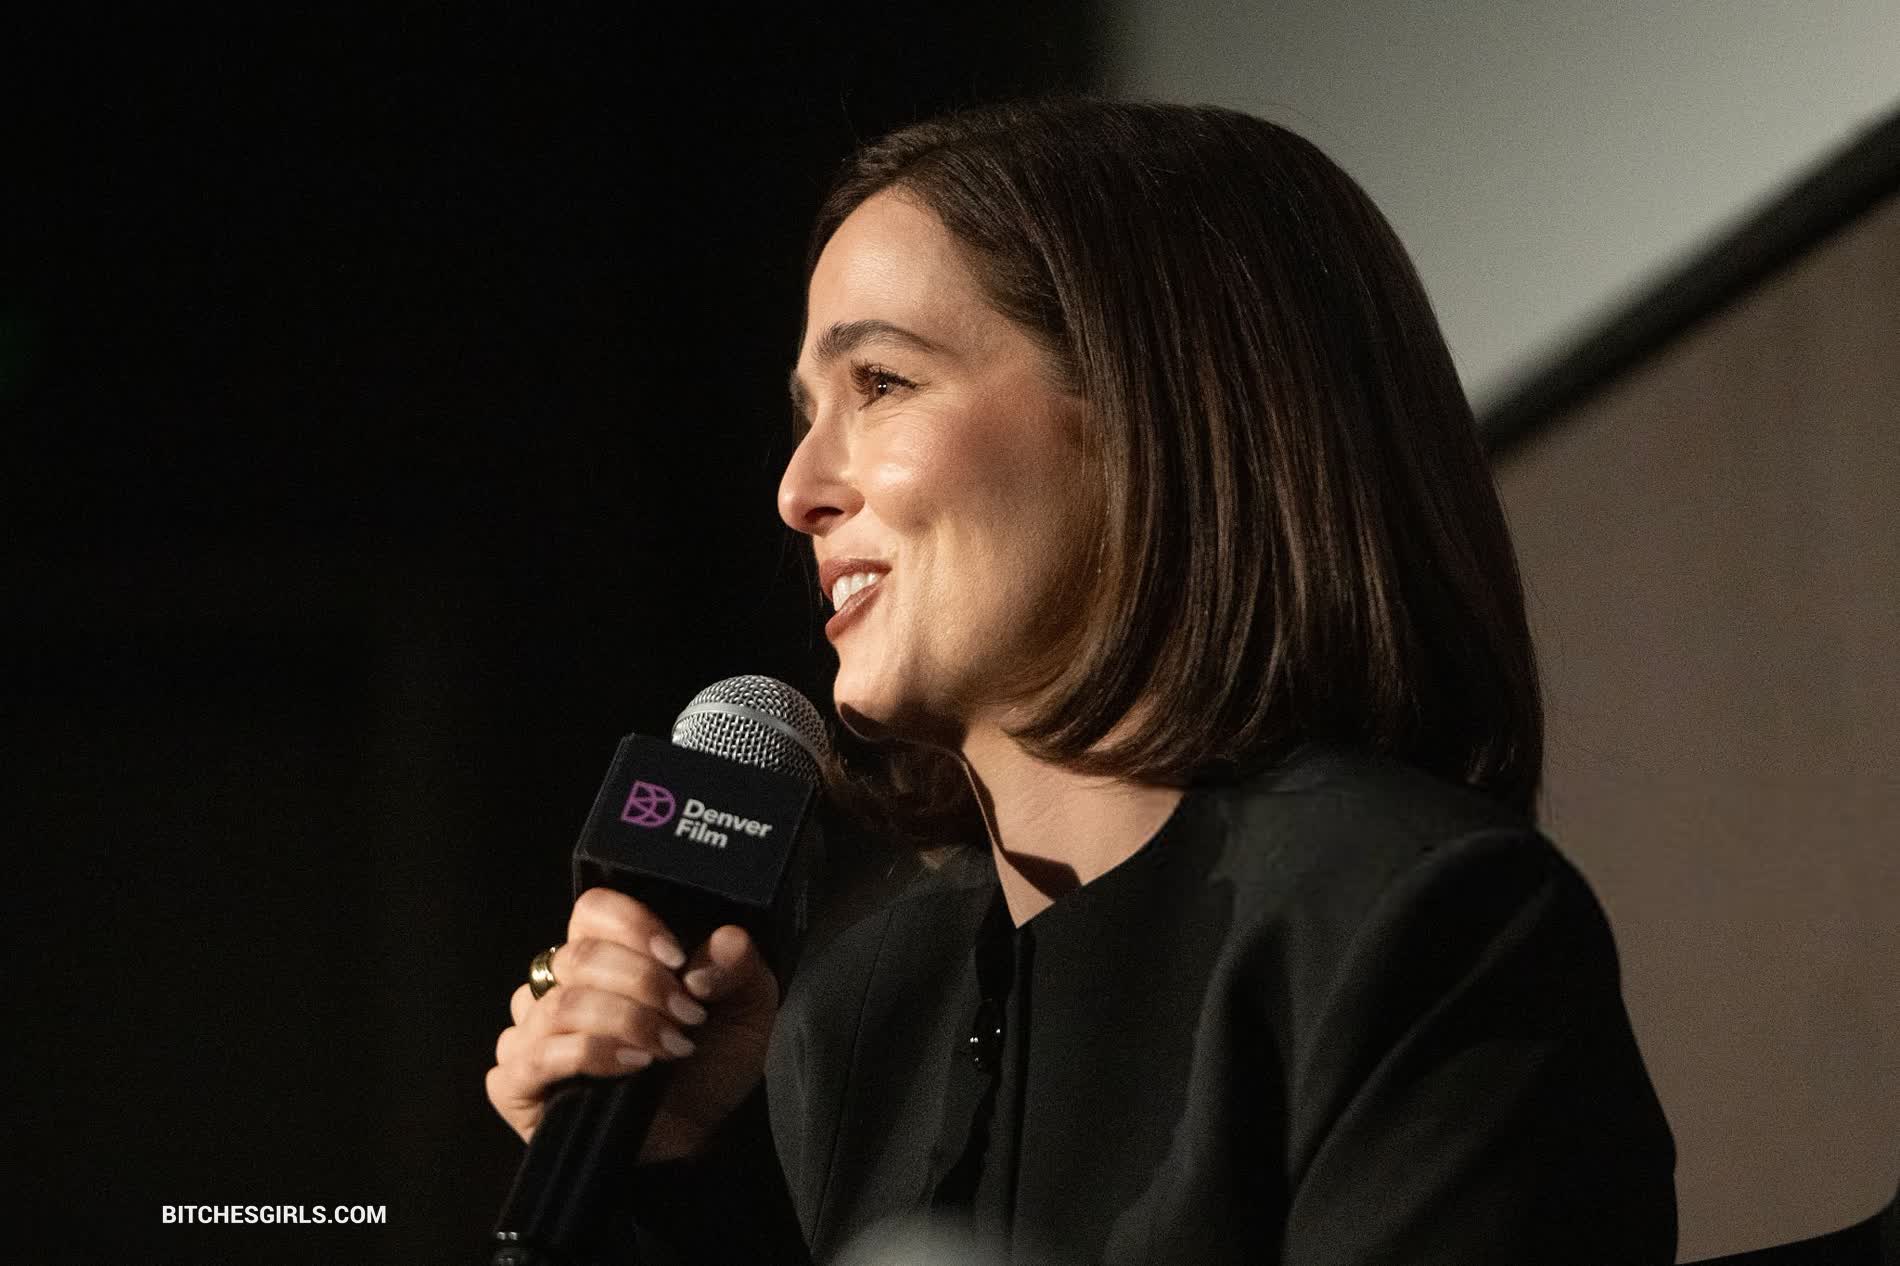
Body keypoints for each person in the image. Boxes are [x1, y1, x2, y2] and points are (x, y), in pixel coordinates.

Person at [485, 96, 1678, 1264]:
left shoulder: (1410, 924)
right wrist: (672, 1181)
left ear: (1152, 407)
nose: (798, 490)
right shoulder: (856, 1019)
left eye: (881, 384)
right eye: (807, 414)